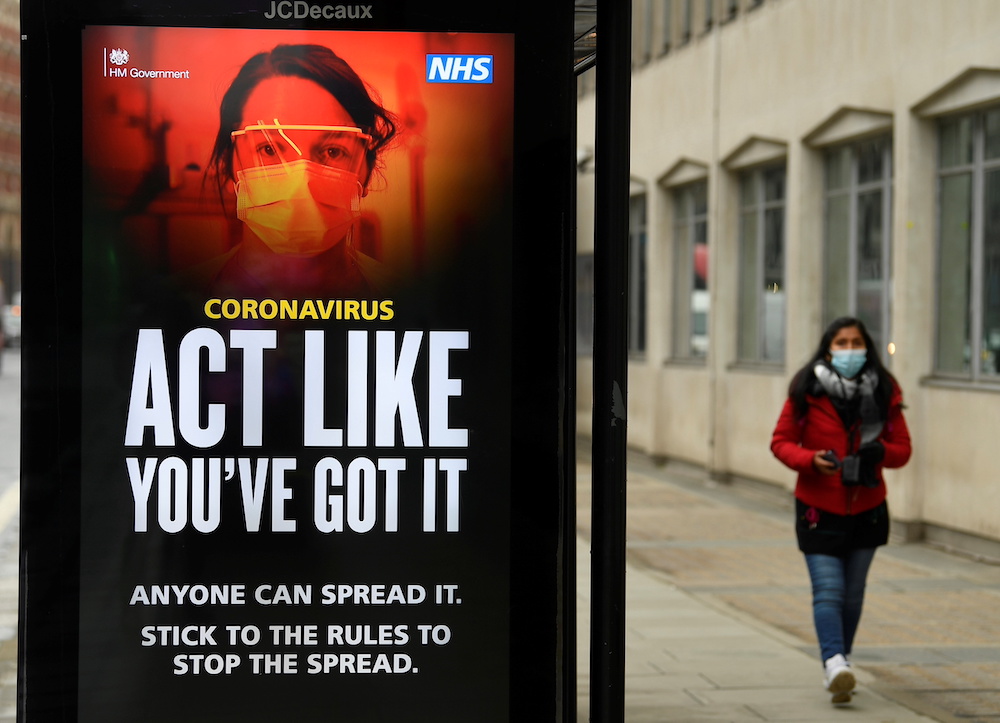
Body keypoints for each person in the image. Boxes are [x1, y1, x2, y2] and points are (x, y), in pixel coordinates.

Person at [770, 317, 911, 705]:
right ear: (829, 348)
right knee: (829, 591)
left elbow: (903, 449)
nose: (850, 349)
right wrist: (810, 460)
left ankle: (839, 666)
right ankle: (834, 660)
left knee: (852, 596)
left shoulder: (884, 389)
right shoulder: (807, 389)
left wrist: (882, 451)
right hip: (819, 507)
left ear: (868, 346)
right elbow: (781, 442)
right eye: (842, 342)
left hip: (867, 507)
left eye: (857, 342)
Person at [204, 44, 398, 298]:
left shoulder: (409, 308)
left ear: (366, 172)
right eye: (270, 149)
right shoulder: (174, 309)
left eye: (332, 151)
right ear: (230, 165)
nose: (301, 183)